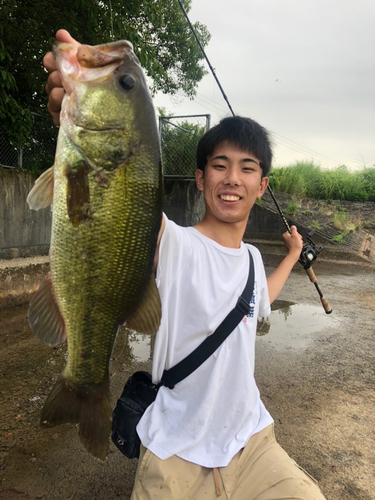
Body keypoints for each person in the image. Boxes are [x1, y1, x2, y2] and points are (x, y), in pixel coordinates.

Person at [44, 30, 326, 500]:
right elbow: (113, 196)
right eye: (220, 165)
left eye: (247, 167)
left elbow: (259, 300)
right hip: (173, 445)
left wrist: (294, 255)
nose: (232, 178)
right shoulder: (171, 242)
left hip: (251, 440)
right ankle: (83, 384)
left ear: (262, 184)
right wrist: (73, 115)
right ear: (200, 178)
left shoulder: (254, 260)